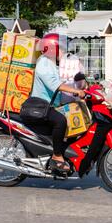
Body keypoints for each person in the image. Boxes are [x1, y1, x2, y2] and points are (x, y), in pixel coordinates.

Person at [31, 33, 85, 173]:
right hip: (40, 105)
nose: (62, 51)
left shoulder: (52, 63)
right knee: (61, 121)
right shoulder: (43, 63)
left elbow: (66, 80)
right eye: (59, 48)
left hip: (50, 105)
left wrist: (82, 85)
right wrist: (75, 91)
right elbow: (54, 84)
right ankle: (57, 155)